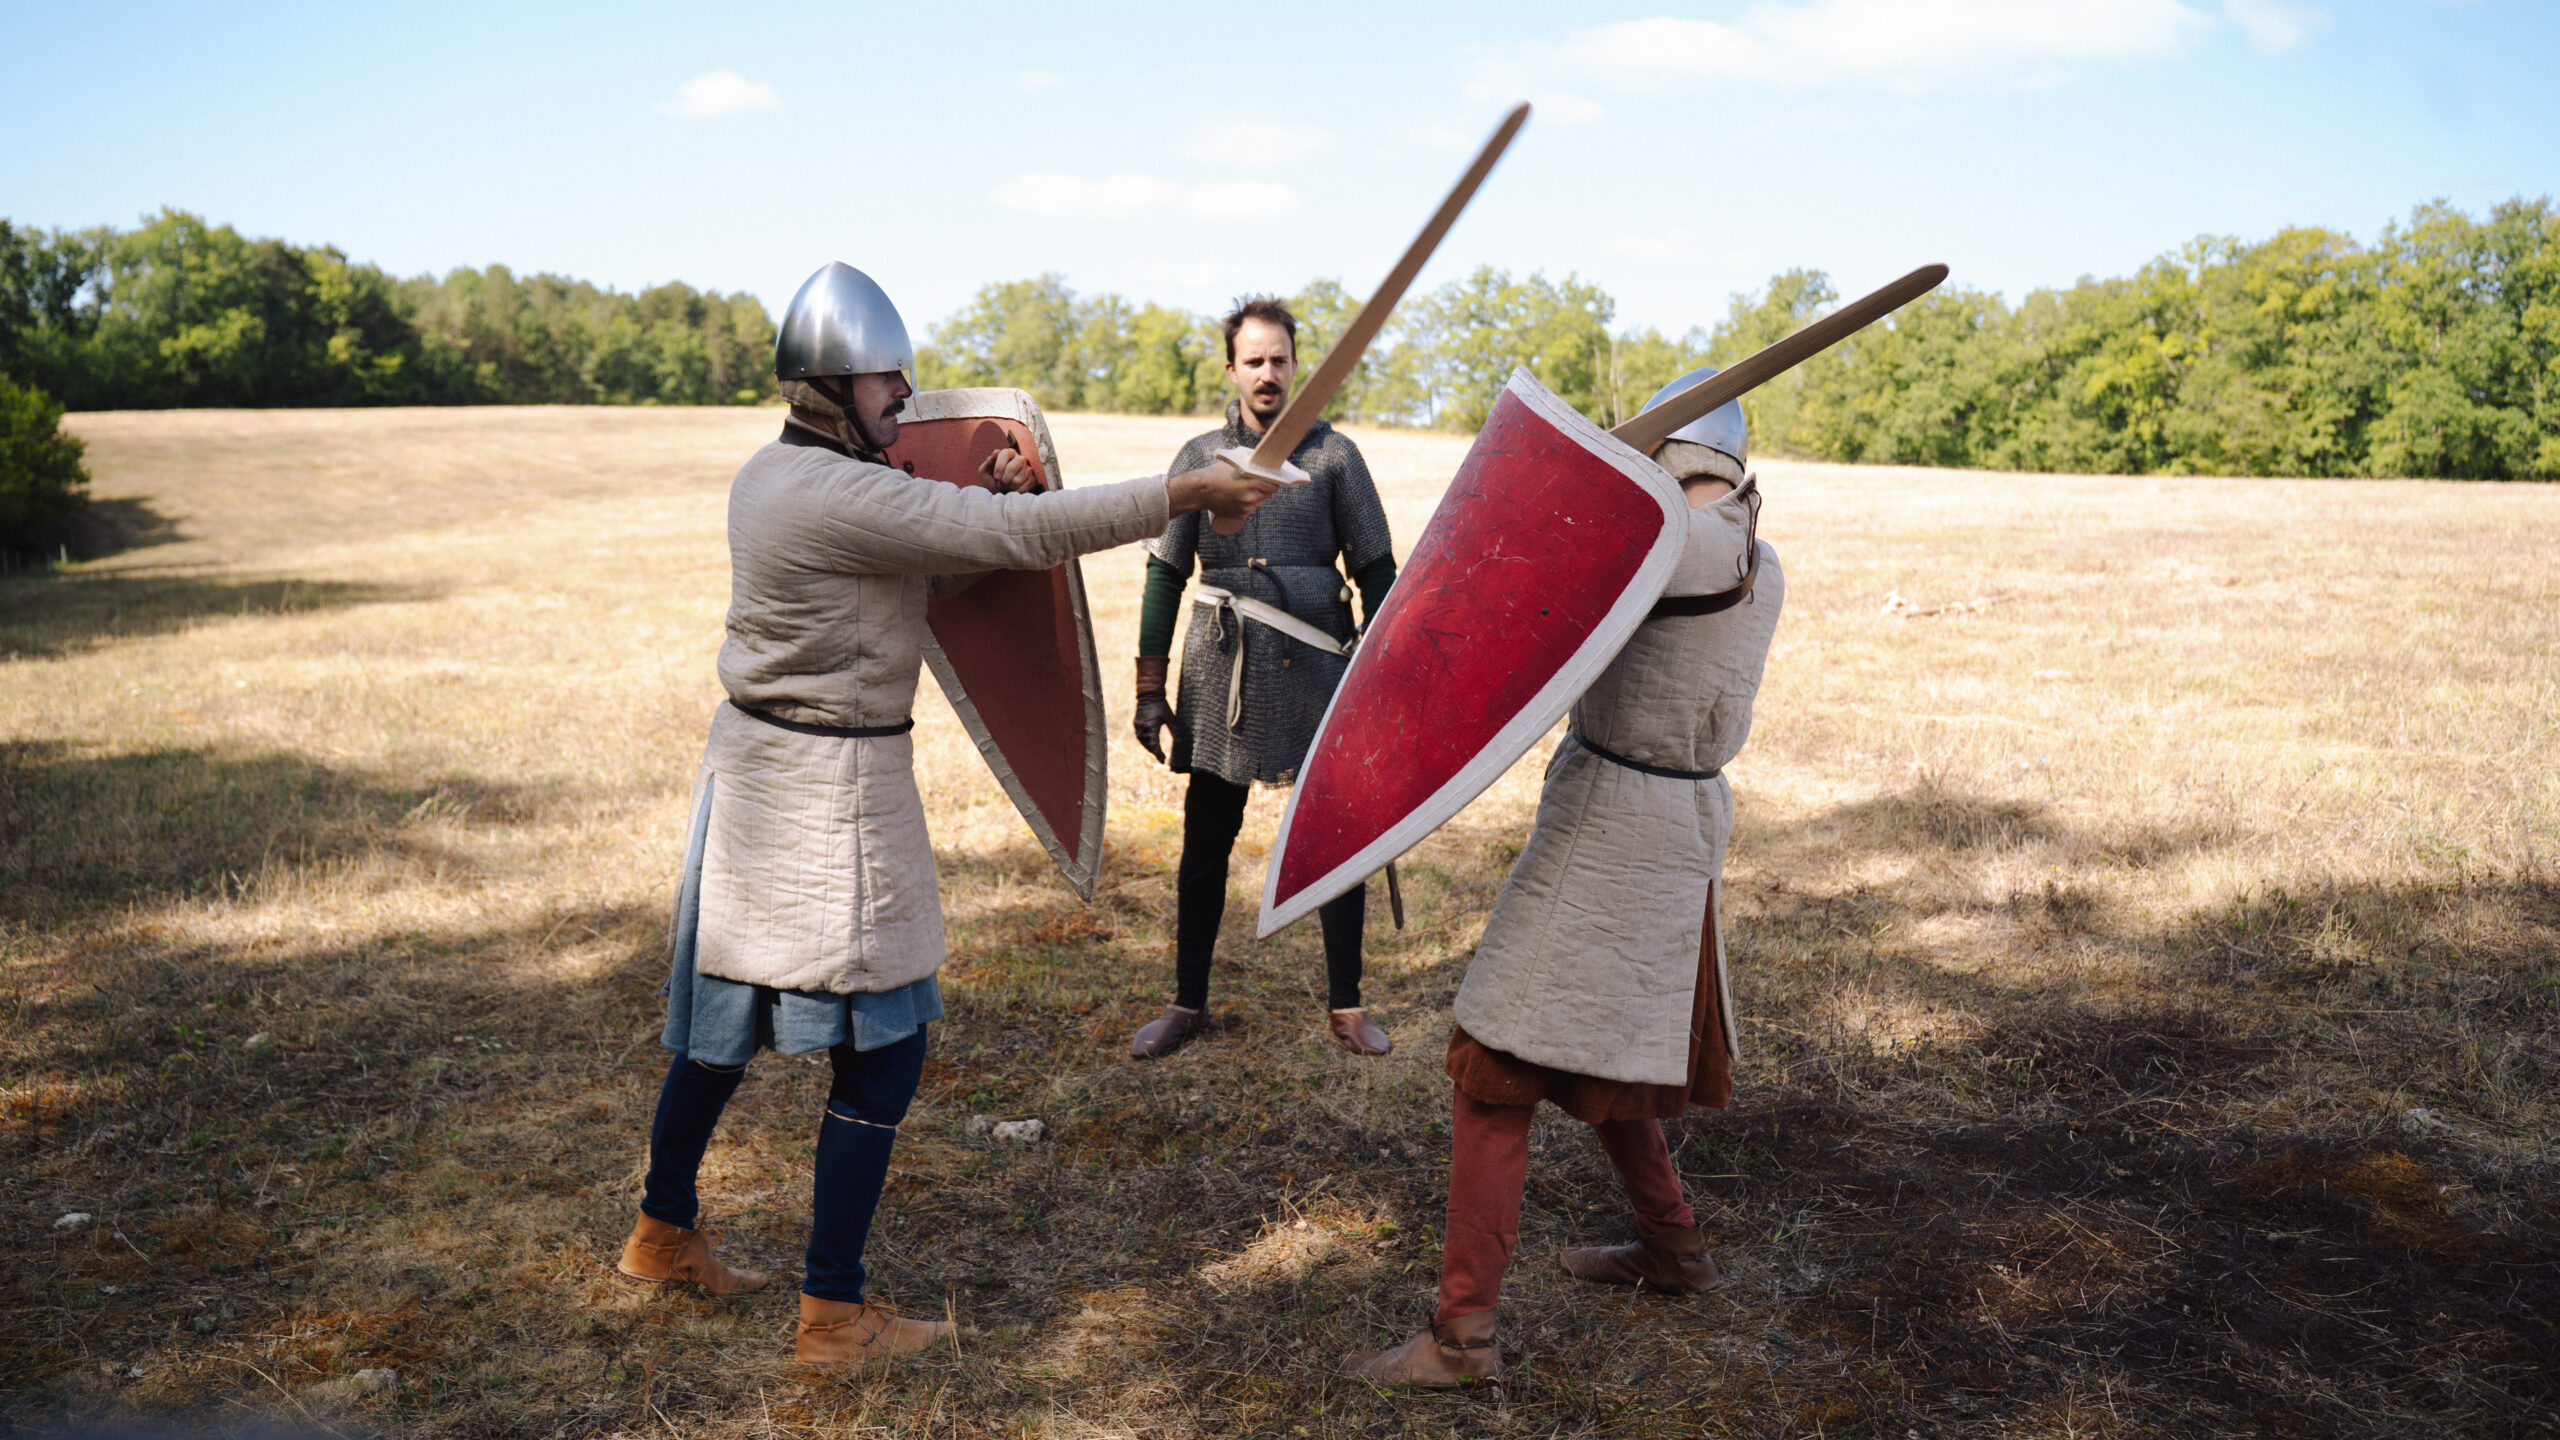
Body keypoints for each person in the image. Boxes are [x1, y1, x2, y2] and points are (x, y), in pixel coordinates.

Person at [613, 262, 1276, 1364]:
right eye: (886, 380)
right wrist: (1184, 493)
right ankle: (833, 1315)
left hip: (765, 786)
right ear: (831, 386)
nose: (904, 397)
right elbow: (1004, 540)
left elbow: (928, 575)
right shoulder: (833, 492)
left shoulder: (781, 478)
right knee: (885, 1051)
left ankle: (660, 1233)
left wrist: (1002, 503)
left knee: (719, 1031)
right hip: (824, 803)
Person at [1341, 369, 1783, 1386]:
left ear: (1667, 452)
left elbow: (1520, 585)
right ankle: (1674, 1249)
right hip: (1684, 822)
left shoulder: (1660, 542)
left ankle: (1462, 1339)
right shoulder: (1760, 554)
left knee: (1493, 1068)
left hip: (1611, 822)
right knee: (1611, 1049)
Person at [1127, 298, 1399, 1060]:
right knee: (1206, 837)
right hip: (1223, 669)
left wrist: (1384, 676)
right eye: (1254, 361)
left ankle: (1347, 1004)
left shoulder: (1335, 457)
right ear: (1232, 370)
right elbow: (1164, 574)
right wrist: (1149, 688)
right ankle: (1187, 1001)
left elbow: (1378, 570)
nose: (1268, 373)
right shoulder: (1200, 458)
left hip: (1317, 664)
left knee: (1334, 834)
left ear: (1297, 366)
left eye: (1280, 359)